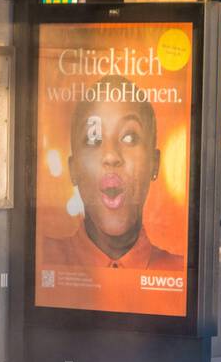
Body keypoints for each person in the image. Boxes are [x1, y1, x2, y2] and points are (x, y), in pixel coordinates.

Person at [42, 80, 184, 272]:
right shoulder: (44, 260)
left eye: (129, 137)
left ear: (154, 163)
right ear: (73, 169)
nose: (111, 156)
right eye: (93, 138)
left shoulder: (178, 273)